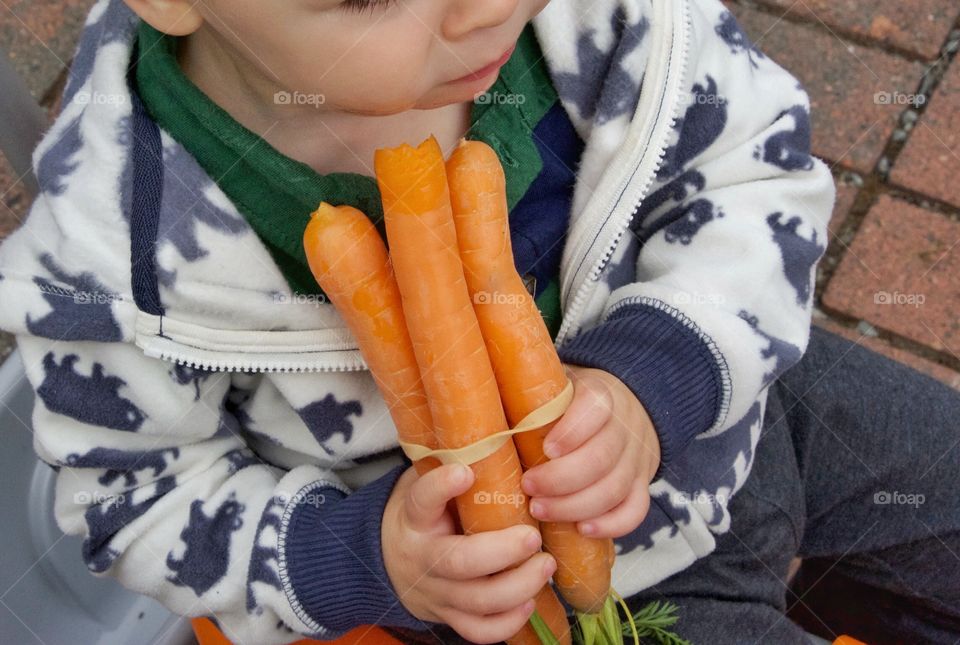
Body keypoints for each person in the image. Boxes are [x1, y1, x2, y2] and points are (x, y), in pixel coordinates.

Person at [0, 0, 955, 643]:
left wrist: (655, 373)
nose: (483, 9)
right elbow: (133, 498)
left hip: (739, 395)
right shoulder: (110, 263)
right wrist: (363, 555)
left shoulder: (607, 24)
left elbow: (753, 167)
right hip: (554, 595)